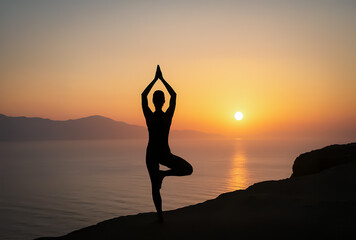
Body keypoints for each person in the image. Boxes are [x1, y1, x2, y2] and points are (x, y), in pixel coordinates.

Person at [141, 65, 193, 223]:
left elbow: (143, 95)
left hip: (152, 153)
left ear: (154, 101)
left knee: (154, 186)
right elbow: (174, 95)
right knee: (188, 169)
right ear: (163, 101)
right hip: (163, 153)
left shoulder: (149, 116)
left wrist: (154, 80)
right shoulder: (167, 116)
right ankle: (163, 175)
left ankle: (160, 216)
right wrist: (161, 79)